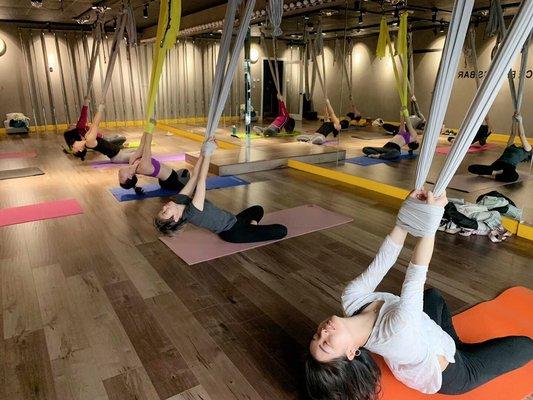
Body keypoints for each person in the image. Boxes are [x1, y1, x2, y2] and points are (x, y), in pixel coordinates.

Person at [305, 189, 533, 399]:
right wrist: (433, 218)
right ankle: (462, 352)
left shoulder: (351, 299)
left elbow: (383, 261)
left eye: (316, 337)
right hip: (455, 373)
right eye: (327, 343)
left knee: (432, 296)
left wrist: (407, 214)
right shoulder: (395, 333)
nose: (323, 332)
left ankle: (457, 344)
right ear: (352, 352)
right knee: (526, 346)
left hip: (434, 341)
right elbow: (415, 274)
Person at [153, 137, 288, 243]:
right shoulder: (193, 213)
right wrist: (209, 153)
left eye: (161, 210)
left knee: (258, 209)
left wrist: (202, 152)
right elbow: (201, 181)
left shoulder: (178, 200)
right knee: (282, 231)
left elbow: (194, 177)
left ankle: (252, 227)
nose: (164, 207)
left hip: (234, 220)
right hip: (233, 233)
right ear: (176, 218)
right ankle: (251, 230)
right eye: (165, 212)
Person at [118, 131, 190, 194]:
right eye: (121, 177)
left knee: (185, 174)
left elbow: (142, 143)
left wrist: (148, 122)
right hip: (171, 181)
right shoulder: (143, 167)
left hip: (163, 181)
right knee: (189, 181)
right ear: (130, 177)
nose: (119, 173)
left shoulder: (132, 161)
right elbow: (147, 144)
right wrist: (152, 124)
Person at [63, 102, 136, 163]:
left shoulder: (87, 138)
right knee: (142, 155)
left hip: (120, 153)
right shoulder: (89, 141)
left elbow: (92, 124)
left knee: (139, 151)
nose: (72, 146)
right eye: (74, 149)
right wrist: (100, 110)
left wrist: (97, 108)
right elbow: (95, 125)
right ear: (80, 149)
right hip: (118, 157)